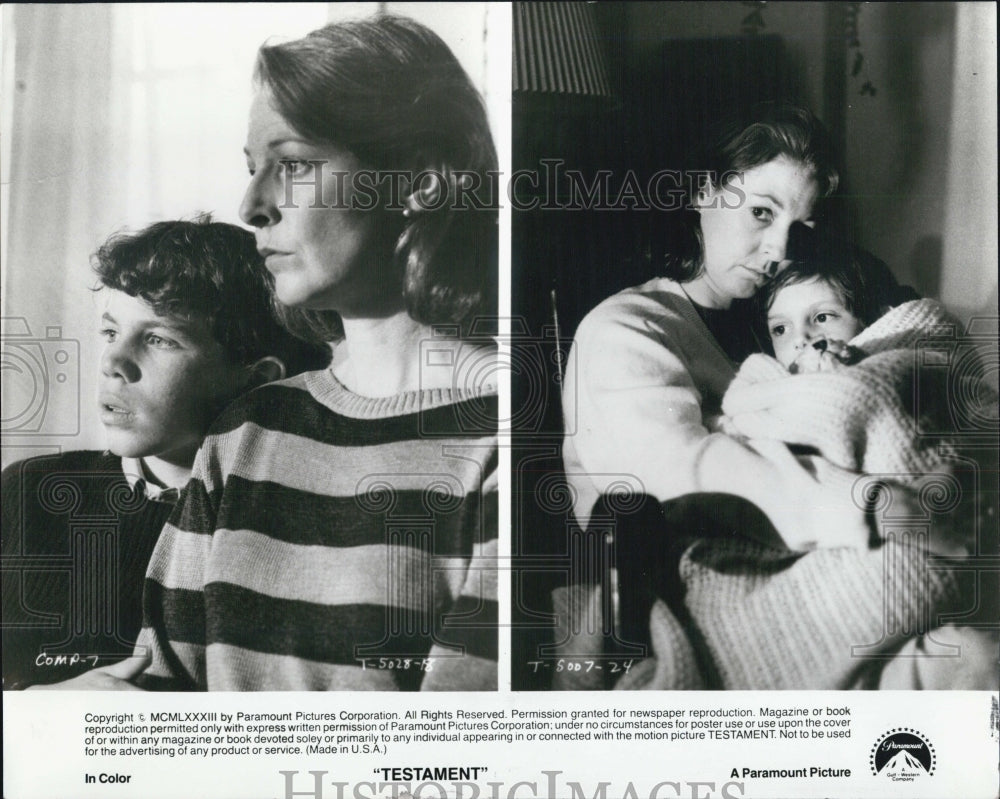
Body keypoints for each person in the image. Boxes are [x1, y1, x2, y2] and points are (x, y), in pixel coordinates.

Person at [558, 103, 990, 689]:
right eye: (761, 212)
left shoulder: (772, 323)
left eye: (800, 227)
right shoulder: (626, 328)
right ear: (702, 190)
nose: (781, 248)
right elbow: (686, 473)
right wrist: (879, 506)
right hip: (695, 601)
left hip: (839, 576)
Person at [135, 15, 499, 691]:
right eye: (252, 169)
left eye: (293, 164)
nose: (251, 204)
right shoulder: (242, 435)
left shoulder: (504, 443)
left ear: (419, 183)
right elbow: (156, 695)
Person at [1, 216, 331, 690]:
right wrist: (39, 706)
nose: (114, 364)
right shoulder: (29, 492)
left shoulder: (298, 523)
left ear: (258, 380)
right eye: (111, 333)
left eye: (159, 340)